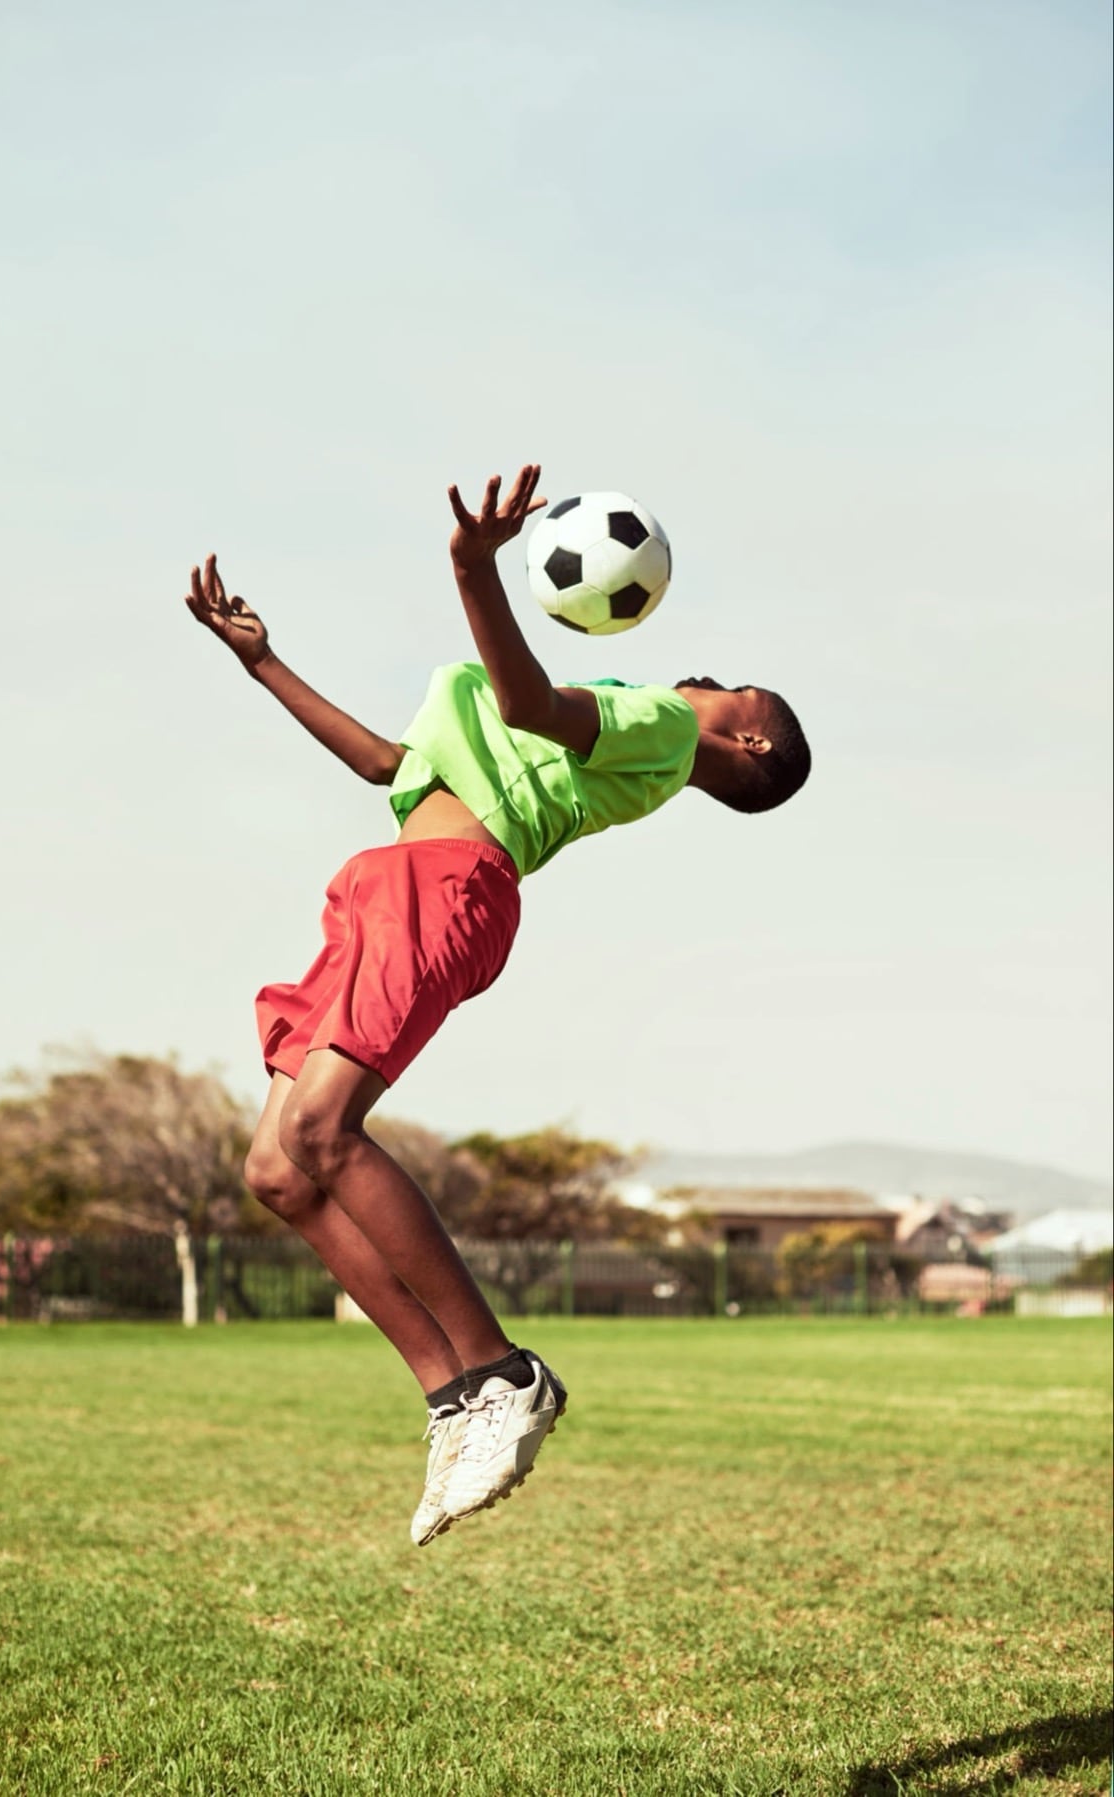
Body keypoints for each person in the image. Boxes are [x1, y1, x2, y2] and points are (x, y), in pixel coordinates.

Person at [183, 464, 810, 1546]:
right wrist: (263, 662)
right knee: (277, 1170)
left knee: (324, 1130)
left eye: (744, 688)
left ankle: (505, 1372)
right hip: (388, 878)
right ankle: (454, 1397)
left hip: (444, 887)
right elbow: (391, 765)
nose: (718, 677)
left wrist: (474, 567)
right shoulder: (630, 720)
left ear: (747, 741)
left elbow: (522, 701)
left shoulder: (662, 726)